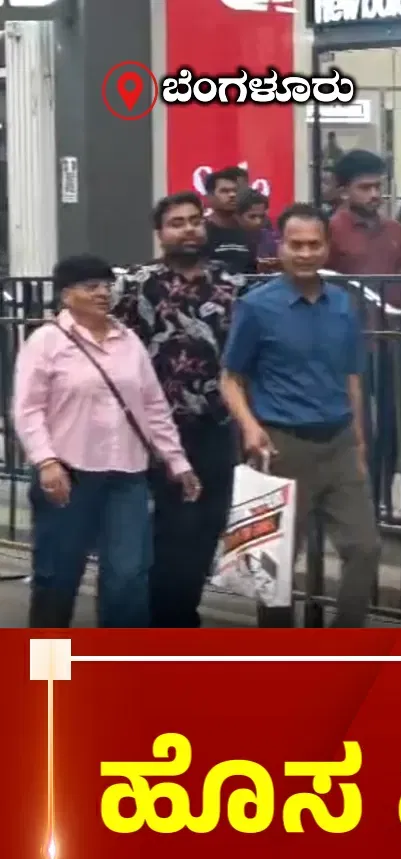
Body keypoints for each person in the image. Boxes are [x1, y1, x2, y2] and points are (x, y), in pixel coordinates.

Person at [11, 254, 200, 627]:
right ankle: (48, 662)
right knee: (57, 576)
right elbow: (27, 409)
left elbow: (153, 406)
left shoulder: (128, 341)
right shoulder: (46, 342)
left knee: (128, 577)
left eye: (107, 286)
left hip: (126, 476)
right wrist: (46, 461)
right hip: (68, 476)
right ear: (66, 295)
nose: (103, 293)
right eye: (91, 286)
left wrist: (177, 461)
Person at [221, 203, 382, 628]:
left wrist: (359, 442)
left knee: (364, 547)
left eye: (314, 245)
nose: (306, 253)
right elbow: (230, 379)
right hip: (282, 446)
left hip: (339, 444)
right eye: (297, 245)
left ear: (327, 247)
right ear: (281, 246)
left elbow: (352, 378)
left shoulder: (344, 305)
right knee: (273, 564)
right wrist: (250, 428)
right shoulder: (256, 306)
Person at [112, 192, 245, 626]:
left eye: (194, 220)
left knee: (210, 521)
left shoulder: (230, 283)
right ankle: (168, 620)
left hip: (217, 424)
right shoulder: (135, 285)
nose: (188, 229)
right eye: (176, 223)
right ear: (160, 233)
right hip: (159, 429)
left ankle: (180, 611)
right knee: (174, 524)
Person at [325, 149, 401, 515]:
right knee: (354, 425)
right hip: (349, 344)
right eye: (365, 187)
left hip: (392, 340)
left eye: (378, 186)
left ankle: (381, 497)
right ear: (344, 190)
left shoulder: (395, 231)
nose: (375, 194)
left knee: (393, 425)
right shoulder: (331, 231)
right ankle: (352, 500)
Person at [203, 165, 258, 276]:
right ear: (210, 197)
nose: (232, 195)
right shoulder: (201, 232)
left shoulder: (249, 230)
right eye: (224, 191)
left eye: (235, 191)